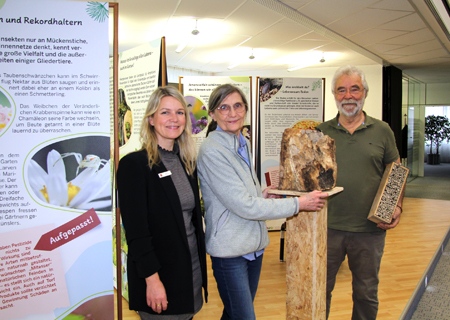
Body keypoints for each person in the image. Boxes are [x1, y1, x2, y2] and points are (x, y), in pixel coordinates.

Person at [197, 84, 328, 320]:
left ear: (245, 109)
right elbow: (243, 205)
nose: (232, 113)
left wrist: (262, 195)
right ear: (213, 114)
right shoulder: (212, 150)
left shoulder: (242, 143)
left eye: (237, 106)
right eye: (224, 108)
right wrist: (299, 204)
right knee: (244, 317)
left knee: (234, 314)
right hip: (230, 252)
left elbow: (243, 194)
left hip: (253, 247)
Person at [316, 65, 404, 320]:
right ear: (334, 94)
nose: (348, 96)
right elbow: (308, 177)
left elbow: (395, 171)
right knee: (320, 290)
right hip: (327, 227)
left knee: (366, 294)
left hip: (369, 230)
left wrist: (396, 206)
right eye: (341, 90)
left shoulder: (382, 130)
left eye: (355, 89)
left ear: (364, 92)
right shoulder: (321, 132)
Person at [117, 86, 207, 320]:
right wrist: (152, 281)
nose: (174, 119)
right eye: (165, 112)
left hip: (190, 271)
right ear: (151, 119)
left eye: (179, 112)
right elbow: (137, 233)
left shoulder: (186, 162)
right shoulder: (134, 165)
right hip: (158, 276)